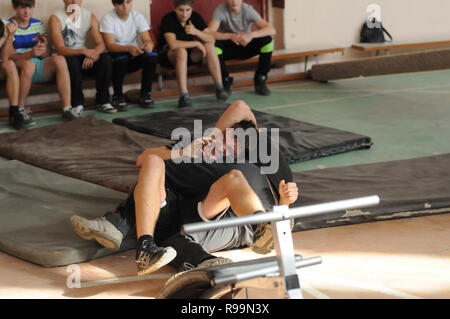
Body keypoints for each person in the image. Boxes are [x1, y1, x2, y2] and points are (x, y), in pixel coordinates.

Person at [71, 100, 299, 275]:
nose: (228, 145)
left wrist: (284, 205)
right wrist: (184, 152)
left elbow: (242, 111)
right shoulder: (194, 145)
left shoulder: (250, 154)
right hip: (180, 207)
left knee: (234, 177)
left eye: (235, 143)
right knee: (155, 164)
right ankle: (143, 242)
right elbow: (145, 158)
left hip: (225, 210)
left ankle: (119, 223)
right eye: (228, 139)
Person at [2, 0, 77, 130]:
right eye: (22, 7)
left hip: (36, 64)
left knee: (60, 60)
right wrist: (30, 54)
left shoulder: (38, 24)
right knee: (29, 65)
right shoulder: (8, 25)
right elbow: (7, 57)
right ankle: (19, 111)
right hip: (19, 65)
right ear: (15, 7)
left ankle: (67, 109)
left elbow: (46, 55)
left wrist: (43, 48)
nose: (26, 11)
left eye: (29, 7)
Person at [157, 0, 229, 108]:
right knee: (181, 51)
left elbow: (211, 39)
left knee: (209, 46)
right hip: (168, 55)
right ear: (175, 9)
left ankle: (219, 87)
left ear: (192, 9)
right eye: (181, 10)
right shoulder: (168, 18)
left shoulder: (195, 17)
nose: (184, 14)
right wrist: (196, 43)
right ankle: (184, 95)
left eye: (187, 10)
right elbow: (172, 44)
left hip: (188, 54)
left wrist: (196, 32)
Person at [49, 0, 116, 115]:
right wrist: (84, 51)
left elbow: (101, 44)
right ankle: (77, 104)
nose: (74, 1)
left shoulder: (90, 16)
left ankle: (103, 101)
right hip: (66, 58)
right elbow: (60, 49)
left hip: (84, 58)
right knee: (72, 61)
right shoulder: (56, 18)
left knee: (106, 59)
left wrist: (93, 54)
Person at [209, 0, 276, 96]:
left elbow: (272, 30)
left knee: (268, 40)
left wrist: (251, 35)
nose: (234, 1)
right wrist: (230, 36)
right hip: (229, 48)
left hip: (246, 45)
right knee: (214, 44)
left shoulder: (247, 9)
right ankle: (225, 81)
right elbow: (209, 32)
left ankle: (260, 79)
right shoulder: (221, 9)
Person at [100, 0, 158, 111]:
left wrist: (148, 45)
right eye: (121, 3)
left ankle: (145, 94)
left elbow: (147, 39)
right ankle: (118, 96)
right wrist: (128, 48)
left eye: (128, 2)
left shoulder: (138, 16)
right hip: (117, 57)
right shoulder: (108, 18)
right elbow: (110, 46)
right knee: (121, 58)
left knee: (152, 56)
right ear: (114, 4)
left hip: (133, 54)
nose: (125, 6)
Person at [0, 19, 22, 129]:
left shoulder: (2, 24)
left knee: (10, 64)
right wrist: (3, 38)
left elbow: (5, 57)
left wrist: (9, 36)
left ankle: (14, 111)